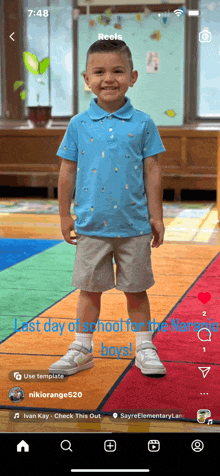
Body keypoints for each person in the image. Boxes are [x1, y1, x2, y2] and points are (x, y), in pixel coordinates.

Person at [49, 39, 166, 377]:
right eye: (99, 72)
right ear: (87, 78)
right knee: (89, 289)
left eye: (117, 71)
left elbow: (152, 171)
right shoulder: (78, 124)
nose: (108, 78)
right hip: (91, 226)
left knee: (136, 290)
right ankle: (82, 348)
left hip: (135, 226)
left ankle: (144, 346)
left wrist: (156, 216)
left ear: (133, 77)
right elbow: (67, 170)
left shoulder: (143, 123)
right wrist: (63, 213)